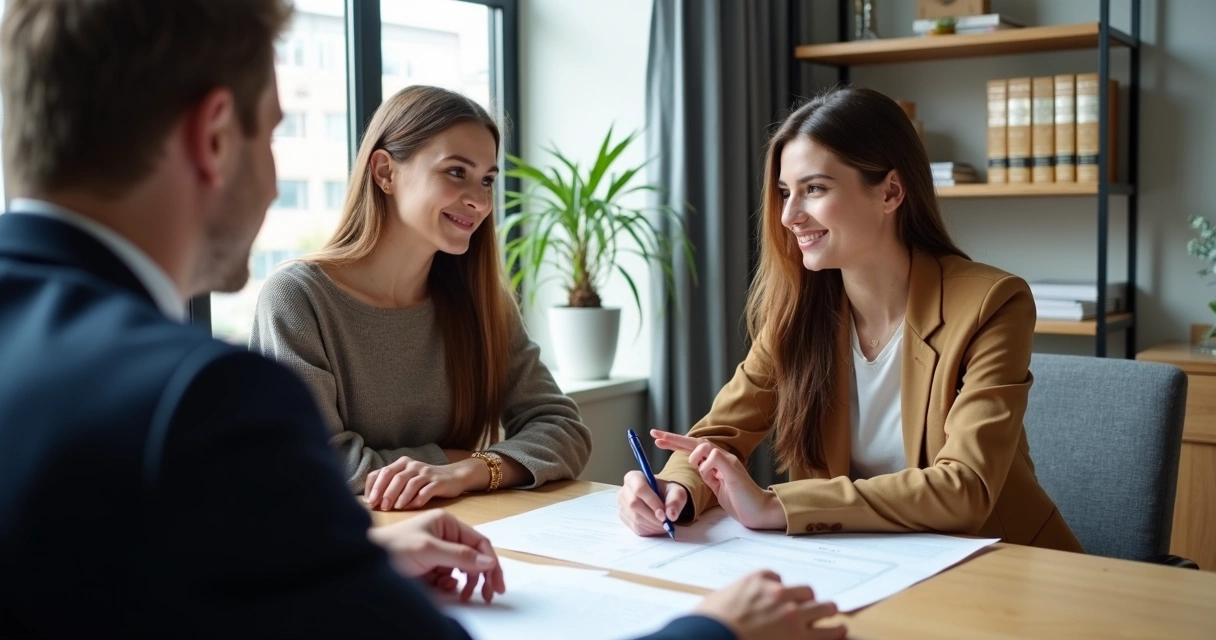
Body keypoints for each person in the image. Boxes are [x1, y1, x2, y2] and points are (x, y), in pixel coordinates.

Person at [0, 1, 845, 638]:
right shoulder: (204, 402)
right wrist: (717, 628)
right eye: (274, 134)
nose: (477, 201)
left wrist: (369, 550)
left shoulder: (472, 298)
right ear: (214, 136)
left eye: (487, 180)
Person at [618, 86, 1084, 554]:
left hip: (1001, 566)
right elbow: (718, 434)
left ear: (891, 192)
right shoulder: (798, 315)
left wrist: (775, 504)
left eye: (815, 189)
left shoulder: (991, 304)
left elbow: (965, 489)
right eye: (785, 193)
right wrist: (673, 490)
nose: (789, 216)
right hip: (866, 565)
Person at [250, 85, 592, 511]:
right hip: (351, 546)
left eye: (487, 179)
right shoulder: (298, 299)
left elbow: (563, 429)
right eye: (456, 172)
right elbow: (320, 463)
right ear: (385, 172)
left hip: (471, 533)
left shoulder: (482, 302)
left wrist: (466, 471)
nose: (481, 200)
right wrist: (448, 460)